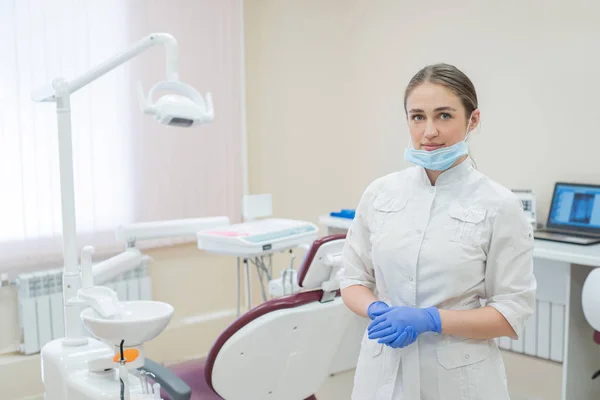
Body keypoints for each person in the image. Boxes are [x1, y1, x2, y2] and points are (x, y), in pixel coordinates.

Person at [340, 63, 537, 400]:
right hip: (382, 373)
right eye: (417, 116)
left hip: (459, 379)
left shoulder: (499, 204)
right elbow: (352, 279)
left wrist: (431, 319)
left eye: (444, 116)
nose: (428, 131)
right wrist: (376, 310)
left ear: (472, 120)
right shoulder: (379, 193)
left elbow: (510, 312)